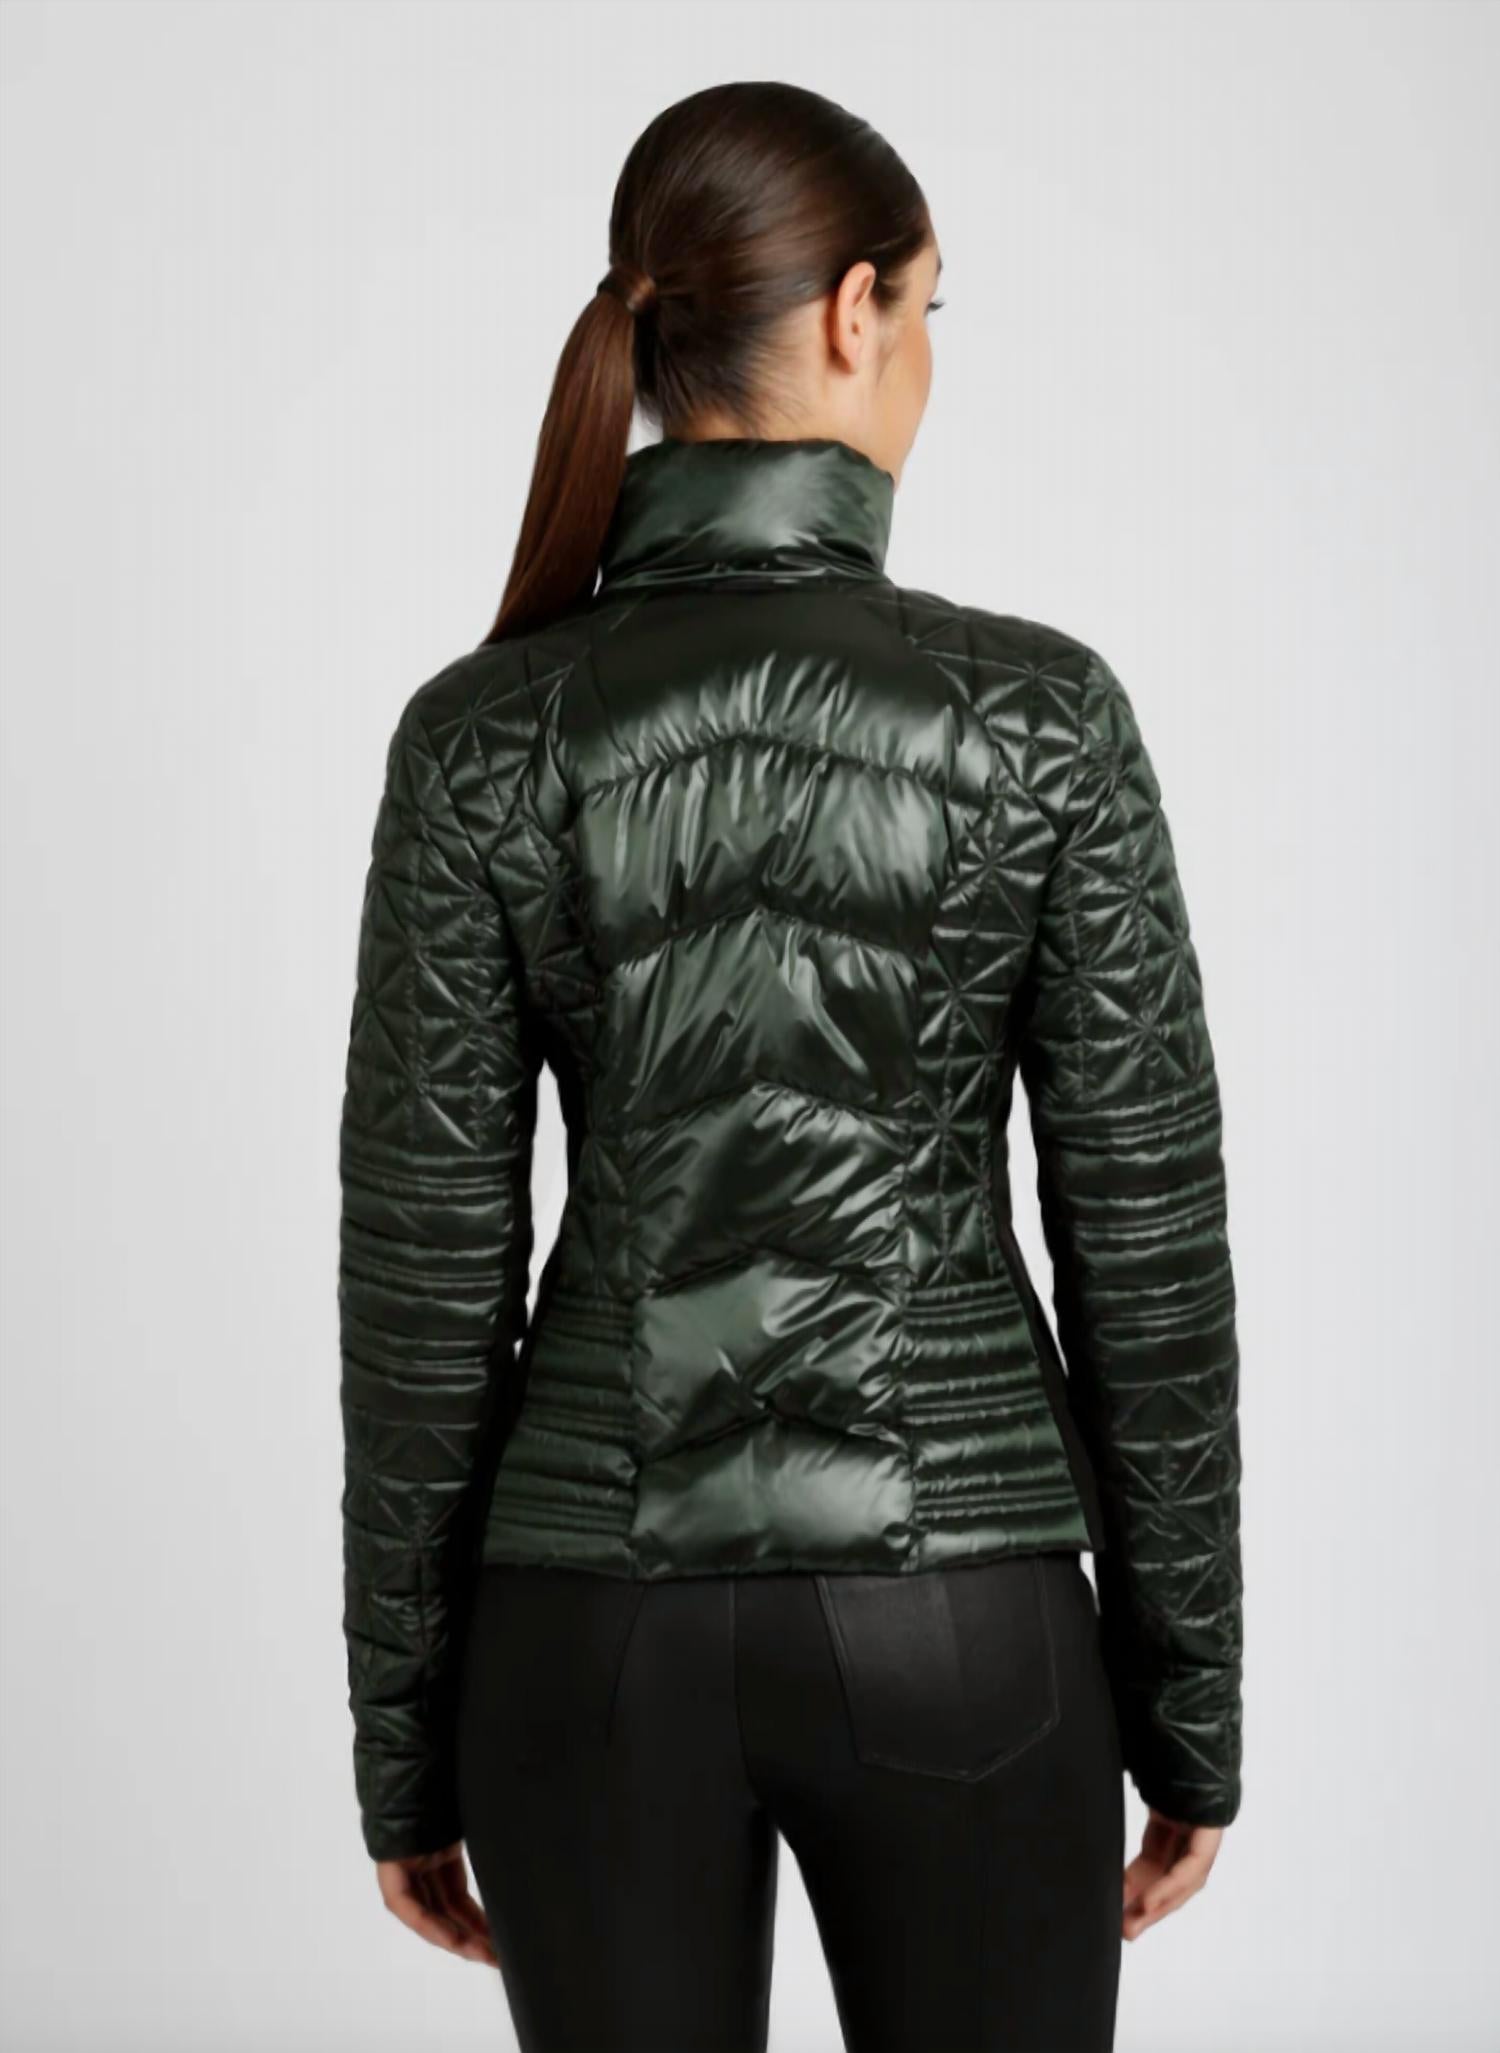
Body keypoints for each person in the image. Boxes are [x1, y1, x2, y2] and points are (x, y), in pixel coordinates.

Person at [337, 79, 1243, 2053]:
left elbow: (423, 1289)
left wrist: (405, 1749)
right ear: (853, 312)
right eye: (928, 309)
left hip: (588, 1633)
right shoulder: (1043, 719)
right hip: (965, 1623)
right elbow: (1148, 1247)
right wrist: (1192, 1715)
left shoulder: (482, 739)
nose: (925, 359)